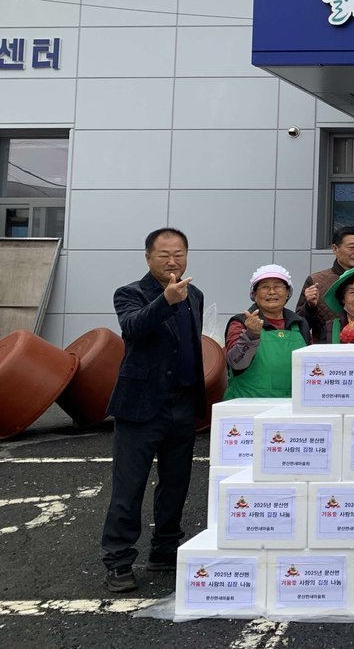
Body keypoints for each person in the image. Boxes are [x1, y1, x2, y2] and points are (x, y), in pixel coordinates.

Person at [102, 228, 205, 594]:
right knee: (128, 486)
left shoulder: (195, 295)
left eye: (179, 253)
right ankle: (118, 560)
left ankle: (165, 549)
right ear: (148, 258)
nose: (172, 261)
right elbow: (133, 327)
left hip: (182, 404)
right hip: (140, 406)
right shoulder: (130, 293)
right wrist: (165, 300)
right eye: (164, 255)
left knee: (176, 484)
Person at [224, 264, 312, 399]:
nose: (272, 292)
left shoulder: (300, 324)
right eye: (265, 287)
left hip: (290, 405)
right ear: (254, 294)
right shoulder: (240, 322)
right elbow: (236, 363)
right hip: (247, 404)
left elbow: (311, 366)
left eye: (278, 286)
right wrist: (251, 335)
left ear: (288, 293)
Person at [296, 226, 354, 340]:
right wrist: (310, 307)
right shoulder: (316, 281)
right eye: (352, 247)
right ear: (335, 249)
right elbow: (299, 327)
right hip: (326, 348)